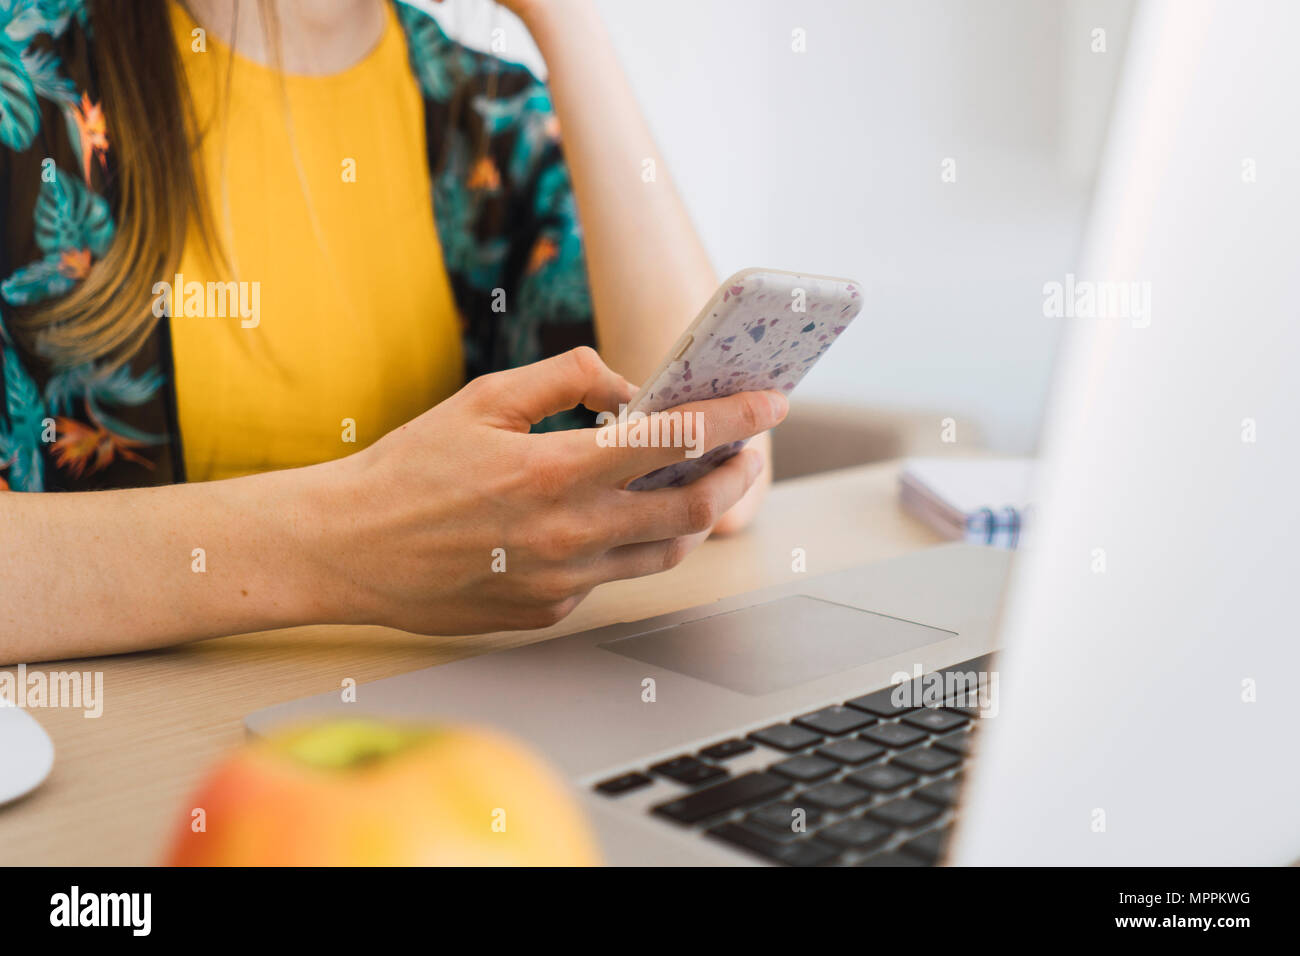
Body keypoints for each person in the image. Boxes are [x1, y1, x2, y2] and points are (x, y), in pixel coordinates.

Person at [0, 0, 784, 663]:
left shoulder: (487, 111)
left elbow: (708, 471)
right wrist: (350, 546)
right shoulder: (26, 78)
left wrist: (568, 21)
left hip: (446, 735)